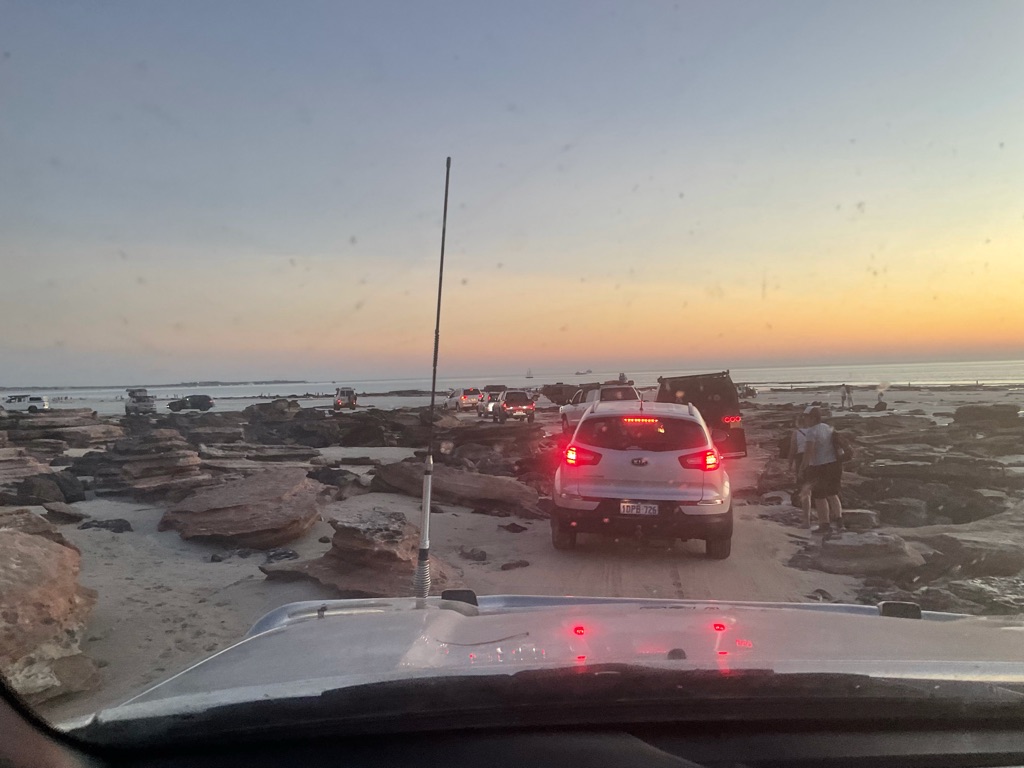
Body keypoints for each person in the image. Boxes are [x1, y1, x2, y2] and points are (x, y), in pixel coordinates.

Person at [800, 406, 843, 535]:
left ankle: (824, 524)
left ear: (813, 418)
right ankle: (839, 521)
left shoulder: (811, 432)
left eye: (806, 417)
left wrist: (803, 468)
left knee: (820, 496)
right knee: (832, 493)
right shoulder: (827, 428)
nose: (804, 419)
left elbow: (808, 452)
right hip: (834, 465)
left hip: (819, 466)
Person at [787, 412, 813, 528]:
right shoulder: (814, 432)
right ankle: (826, 520)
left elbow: (792, 450)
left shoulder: (796, 433)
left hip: (801, 459)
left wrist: (789, 464)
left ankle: (806, 521)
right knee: (821, 493)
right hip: (816, 460)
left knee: (805, 491)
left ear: (798, 422)